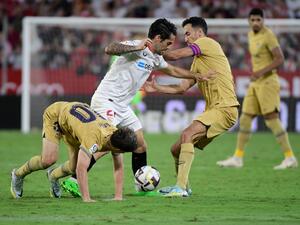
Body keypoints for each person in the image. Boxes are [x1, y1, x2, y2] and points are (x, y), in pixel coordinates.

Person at [61, 18, 212, 197]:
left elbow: (172, 70)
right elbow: (109, 49)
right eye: (168, 43)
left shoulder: (156, 57)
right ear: (157, 38)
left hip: (122, 106)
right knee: (104, 144)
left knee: (140, 145)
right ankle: (73, 180)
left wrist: (196, 76)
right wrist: (136, 47)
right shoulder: (136, 45)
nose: (169, 47)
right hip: (106, 101)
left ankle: (141, 188)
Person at [144, 17, 239, 197]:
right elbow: (181, 88)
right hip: (214, 110)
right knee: (176, 149)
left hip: (225, 107)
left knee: (187, 134)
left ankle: (180, 188)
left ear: (199, 33)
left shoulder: (207, 43)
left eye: (188, 33)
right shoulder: (198, 62)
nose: (186, 38)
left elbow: (174, 55)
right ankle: (184, 187)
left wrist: (153, 47)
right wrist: (157, 88)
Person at [216, 8, 298, 170]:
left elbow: (280, 59)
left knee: (271, 119)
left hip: (268, 82)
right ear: (249, 21)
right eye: (253, 20)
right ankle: (238, 157)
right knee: (245, 118)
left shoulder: (268, 35)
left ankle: (290, 157)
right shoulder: (250, 35)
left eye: (258, 20)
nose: (255, 23)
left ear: (263, 20)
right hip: (255, 83)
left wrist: (260, 71)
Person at [10, 101, 138, 202]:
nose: (122, 154)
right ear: (116, 148)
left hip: (74, 127)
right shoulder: (94, 139)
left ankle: (53, 176)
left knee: (72, 167)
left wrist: (118, 196)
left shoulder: (115, 134)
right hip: (56, 115)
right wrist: (86, 199)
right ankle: (18, 174)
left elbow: (118, 166)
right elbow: (81, 169)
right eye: (123, 152)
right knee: (48, 160)